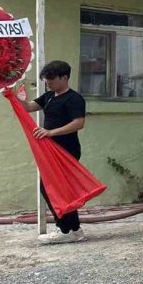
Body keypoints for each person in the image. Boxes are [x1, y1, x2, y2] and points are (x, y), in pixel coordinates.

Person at [22, 60, 88, 243]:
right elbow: (28, 108)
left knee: (53, 188)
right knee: (59, 189)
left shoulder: (74, 98)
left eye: (51, 78)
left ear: (64, 78)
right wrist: (12, 96)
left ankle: (66, 230)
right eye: (46, 79)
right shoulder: (49, 96)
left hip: (66, 150)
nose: (48, 82)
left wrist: (50, 132)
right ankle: (74, 229)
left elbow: (78, 123)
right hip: (51, 151)